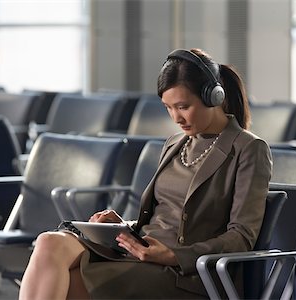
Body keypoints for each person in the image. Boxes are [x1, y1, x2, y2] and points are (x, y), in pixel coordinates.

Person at [19, 48, 272, 299]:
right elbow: (163, 215)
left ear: (213, 97)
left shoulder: (249, 149)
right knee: (48, 242)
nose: (176, 118)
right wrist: (124, 226)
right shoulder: (175, 143)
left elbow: (241, 236)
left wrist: (173, 255)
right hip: (140, 251)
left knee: (67, 285)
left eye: (183, 106)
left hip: (185, 273)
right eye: (168, 107)